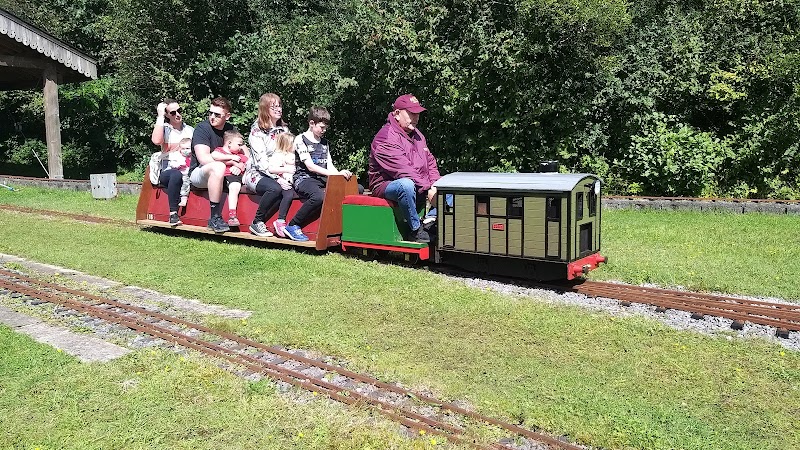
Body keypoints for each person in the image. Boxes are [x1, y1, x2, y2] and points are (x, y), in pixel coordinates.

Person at [368, 94, 441, 243]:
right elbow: (403, 170)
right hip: (386, 185)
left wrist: (436, 184)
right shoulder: (385, 138)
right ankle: (415, 230)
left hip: (418, 183)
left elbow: (430, 162)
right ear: (397, 114)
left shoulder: (418, 135)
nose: (416, 117)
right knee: (406, 185)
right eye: (412, 113)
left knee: (449, 186)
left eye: (418, 113)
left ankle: (430, 220)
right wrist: (428, 189)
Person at [285, 106, 356, 242]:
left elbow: (329, 164)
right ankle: (293, 225)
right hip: (303, 178)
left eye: (325, 128)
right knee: (318, 197)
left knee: (355, 188)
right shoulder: (300, 139)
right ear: (312, 123)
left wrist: (339, 175)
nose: (324, 130)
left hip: (321, 178)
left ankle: (344, 227)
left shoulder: (324, 143)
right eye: (322, 127)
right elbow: (310, 166)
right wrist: (334, 176)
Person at [189, 97, 240, 233]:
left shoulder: (231, 130)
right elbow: (204, 159)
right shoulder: (202, 129)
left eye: (217, 114)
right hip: (199, 174)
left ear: (227, 116)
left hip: (225, 174)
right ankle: (214, 217)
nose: (212, 117)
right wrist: (231, 162)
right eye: (210, 113)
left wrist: (240, 165)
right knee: (218, 167)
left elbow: (243, 152)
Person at [245, 93, 292, 238]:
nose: (278, 109)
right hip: (257, 174)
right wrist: (278, 178)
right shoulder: (257, 131)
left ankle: (283, 224)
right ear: (265, 109)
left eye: (279, 106)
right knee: (275, 188)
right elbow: (261, 163)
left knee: (290, 189)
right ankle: (257, 222)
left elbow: (289, 151)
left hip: (281, 170)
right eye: (274, 107)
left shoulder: (283, 129)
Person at [151, 99, 194, 225]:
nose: (178, 114)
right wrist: (160, 116)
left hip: (187, 168)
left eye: (179, 110)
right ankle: (173, 214)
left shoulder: (190, 130)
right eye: (173, 113)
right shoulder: (165, 129)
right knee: (176, 174)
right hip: (168, 170)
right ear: (167, 115)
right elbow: (156, 141)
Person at [211, 130, 248, 226]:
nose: (240, 147)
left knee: (235, 186)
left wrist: (240, 167)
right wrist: (231, 158)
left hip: (233, 178)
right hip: (221, 177)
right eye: (239, 145)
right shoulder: (219, 151)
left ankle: (232, 215)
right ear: (229, 143)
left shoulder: (239, 156)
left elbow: (248, 163)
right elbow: (214, 155)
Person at [266, 132, 297, 237]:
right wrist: (286, 169)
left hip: (293, 180)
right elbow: (271, 169)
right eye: (293, 143)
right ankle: (280, 220)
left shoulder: (294, 155)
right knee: (288, 195)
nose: (295, 145)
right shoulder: (278, 155)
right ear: (286, 144)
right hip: (282, 180)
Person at [166, 137, 193, 209]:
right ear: (180, 148)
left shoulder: (193, 156)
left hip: (191, 174)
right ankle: (184, 197)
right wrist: (178, 165)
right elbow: (172, 164)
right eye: (183, 149)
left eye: (187, 148)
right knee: (185, 182)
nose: (185, 151)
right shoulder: (177, 156)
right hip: (180, 174)